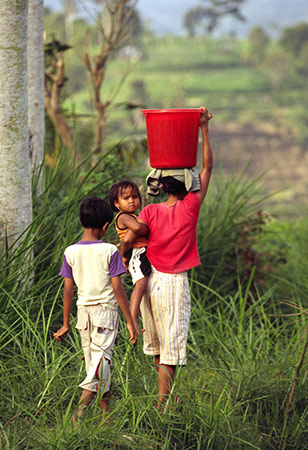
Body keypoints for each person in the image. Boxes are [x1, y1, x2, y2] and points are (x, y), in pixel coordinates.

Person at [123, 107, 213, 405]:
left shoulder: (149, 211)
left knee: (158, 345)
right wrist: (204, 130)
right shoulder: (190, 207)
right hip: (173, 283)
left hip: (149, 282)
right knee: (171, 350)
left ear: (161, 187)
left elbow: (134, 237)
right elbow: (207, 169)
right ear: (187, 186)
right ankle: (163, 407)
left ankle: (160, 401)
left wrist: (124, 253)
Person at [53, 196, 137, 422]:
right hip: (104, 314)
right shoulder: (109, 251)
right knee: (100, 364)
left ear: (81, 222)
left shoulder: (70, 252)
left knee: (98, 363)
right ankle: (79, 413)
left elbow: (68, 291)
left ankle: (105, 413)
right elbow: (118, 290)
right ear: (106, 226)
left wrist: (65, 323)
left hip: (83, 316)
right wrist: (130, 321)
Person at [109, 180, 150, 333]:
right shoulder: (123, 216)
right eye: (126, 198)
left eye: (135, 197)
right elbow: (139, 228)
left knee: (144, 284)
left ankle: (139, 317)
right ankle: (132, 319)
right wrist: (146, 224)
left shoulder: (133, 215)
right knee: (140, 284)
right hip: (137, 252)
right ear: (117, 203)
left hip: (142, 252)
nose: (132, 201)